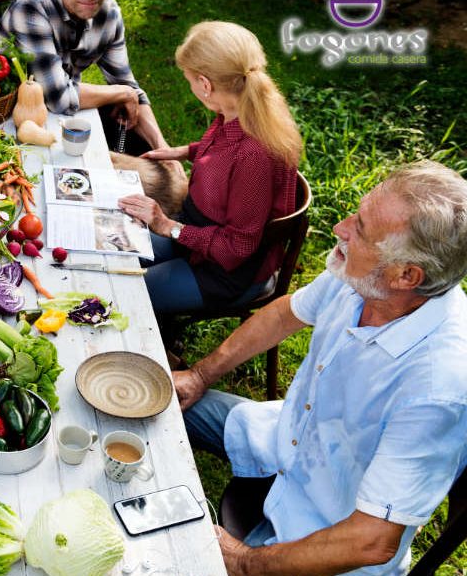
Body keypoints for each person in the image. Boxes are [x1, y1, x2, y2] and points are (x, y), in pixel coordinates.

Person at [175, 160, 467, 576]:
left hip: (325, 530)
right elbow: (284, 315)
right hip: (283, 437)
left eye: (361, 228)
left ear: (407, 275)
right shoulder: (364, 275)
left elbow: (372, 540)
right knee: (159, 401)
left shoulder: (439, 386)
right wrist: (199, 375)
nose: (341, 229)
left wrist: (244, 563)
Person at [119, 21, 302, 314]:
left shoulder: (255, 154)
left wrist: (167, 225)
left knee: (125, 296)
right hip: (196, 237)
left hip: (225, 271)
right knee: (114, 259)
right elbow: (224, 153)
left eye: (189, 80)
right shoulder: (240, 109)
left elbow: (237, 247)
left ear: (205, 84)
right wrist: (185, 151)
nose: (190, 86)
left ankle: (159, 341)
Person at [0, 0, 167, 155]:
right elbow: (57, 97)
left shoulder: (109, 13)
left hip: (66, 117)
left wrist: (163, 149)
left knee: (144, 154)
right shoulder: (32, 7)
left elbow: (128, 86)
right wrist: (121, 93)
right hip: (6, 118)